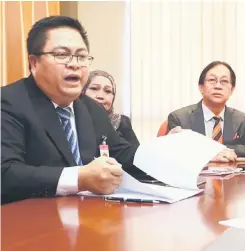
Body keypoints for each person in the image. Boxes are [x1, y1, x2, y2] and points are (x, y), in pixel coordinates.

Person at [1, 16, 145, 204]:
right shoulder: (9, 102)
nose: (75, 64)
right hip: (29, 224)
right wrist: (79, 178)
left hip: (87, 219)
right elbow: (6, 173)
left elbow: (121, 153)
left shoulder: (91, 108)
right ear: (34, 63)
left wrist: (174, 155)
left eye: (82, 56)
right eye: (62, 55)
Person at [167, 61, 245, 161]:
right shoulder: (180, 118)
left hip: (232, 175)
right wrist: (211, 152)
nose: (218, 86)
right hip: (196, 176)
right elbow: (174, 153)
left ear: (232, 90)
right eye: (212, 80)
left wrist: (223, 150)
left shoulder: (241, 120)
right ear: (201, 87)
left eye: (224, 81)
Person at [82, 70, 139, 145]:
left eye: (108, 91)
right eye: (94, 89)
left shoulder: (121, 122)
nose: (100, 96)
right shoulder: (71, 121)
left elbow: (136, 154)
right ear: (83, 91)